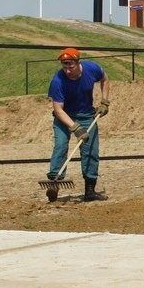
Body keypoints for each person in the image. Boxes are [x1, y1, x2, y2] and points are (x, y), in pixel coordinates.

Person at [46, 47, 110, 201]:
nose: (67, 70)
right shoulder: (58, 81)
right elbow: (58, 110)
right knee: (61, 145)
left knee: (90, 151)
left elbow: (105, 79)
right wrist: (75, 128)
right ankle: (54, 182)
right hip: (65, 116)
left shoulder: (92, 68)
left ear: (78, 62)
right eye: (64, 66)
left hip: (87, 115)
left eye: (70, 66)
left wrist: (104, 102)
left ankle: (90, 191)